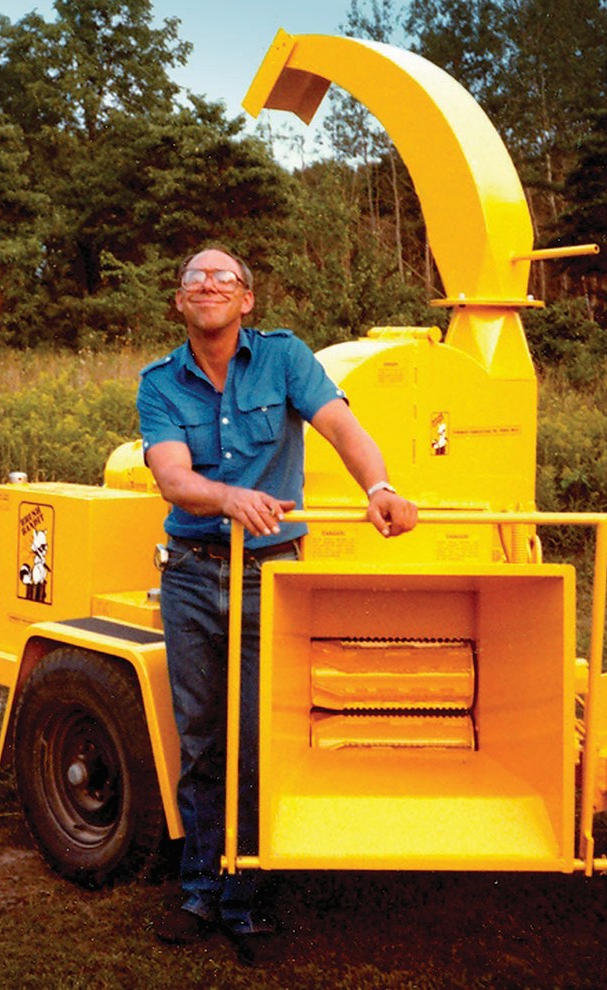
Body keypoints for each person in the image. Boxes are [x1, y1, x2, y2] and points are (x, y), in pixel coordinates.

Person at [136, 245, 418, 964]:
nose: (208, 285)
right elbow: (172, 477)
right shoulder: (159, 382)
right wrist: (229, 498)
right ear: (179, 302)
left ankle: (248, 894)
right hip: (195, 578)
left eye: (223, 276)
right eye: (194, 278)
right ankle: (200, 890)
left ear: (247, 300)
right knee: (202, 738)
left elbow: (341, 427)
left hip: (271, 576)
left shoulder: (285, 358)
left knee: (261, 735)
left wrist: (377, 487)